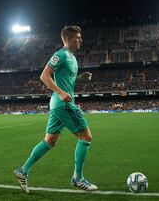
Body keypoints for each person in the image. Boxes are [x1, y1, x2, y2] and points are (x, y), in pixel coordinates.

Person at [14, 25, 97, 193]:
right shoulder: (61, 55)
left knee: (49, 141)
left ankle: (23, 171)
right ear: (68, 39)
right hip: (63, 104)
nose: (81, 40)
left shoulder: (72, 58)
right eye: (78, 37)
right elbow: (44, 76)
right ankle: (78, 179)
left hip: (59, 104)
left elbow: (67, 81)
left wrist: (80, 78)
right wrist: (60, 92)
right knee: (86, 137)